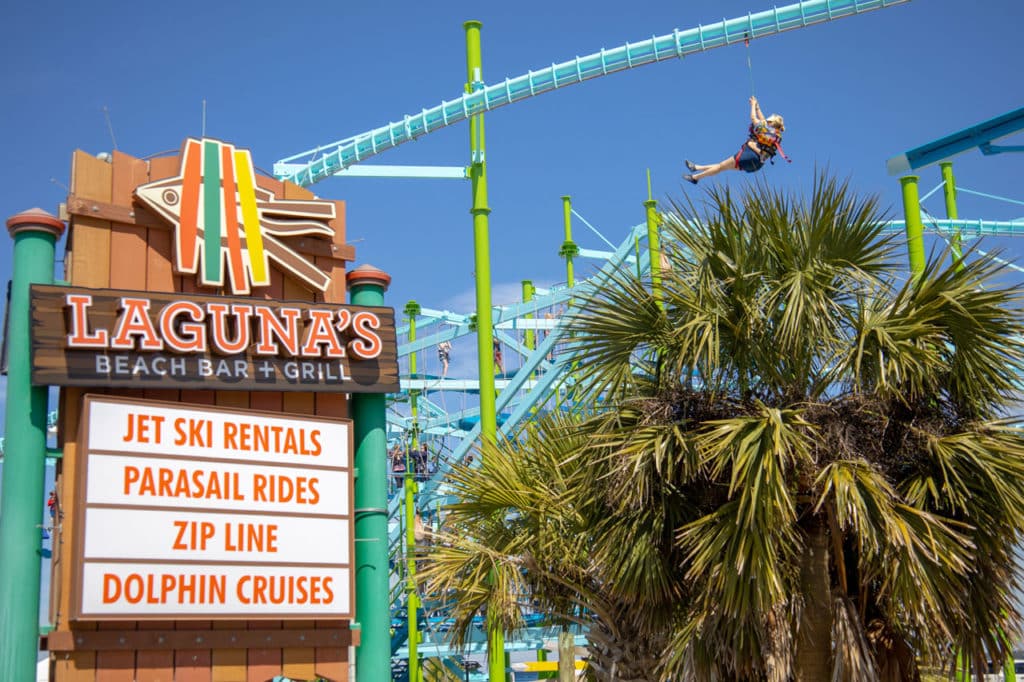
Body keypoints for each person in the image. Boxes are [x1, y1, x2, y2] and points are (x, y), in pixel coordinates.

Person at [683, 96, 789, 184]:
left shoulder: (765, 127)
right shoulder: (776, 135)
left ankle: (695, 178)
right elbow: (763, 120)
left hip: (749, 154)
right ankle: (696, 167)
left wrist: (752, 105)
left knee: (720, 166)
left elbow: (754, 118)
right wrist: (758, 108)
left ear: (771, 122)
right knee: (722, 166)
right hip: (757, 164)